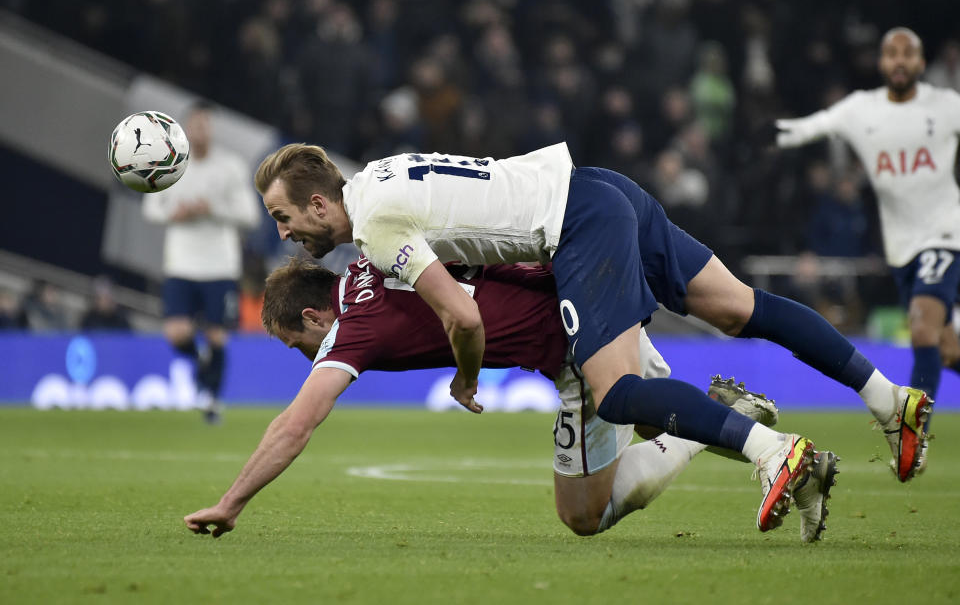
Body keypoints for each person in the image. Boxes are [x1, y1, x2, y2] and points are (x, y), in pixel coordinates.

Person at [252, 136, 924, 525]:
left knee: (618, 393)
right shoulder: (380, 177)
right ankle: (890, 399)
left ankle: (771, 448)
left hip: (575, 227)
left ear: (319, 201)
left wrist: (464, 373)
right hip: (597, 186)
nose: (284, 232)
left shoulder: (373, 227)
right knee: (739, 307)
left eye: (285, 216)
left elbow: (461, 313)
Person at [185, 257, 838, 543]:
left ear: (310, 312)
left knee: (585, 513)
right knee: (643, 411)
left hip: (578, 352)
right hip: (592, 298)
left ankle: (712, 427)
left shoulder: (352, 327)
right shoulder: (377, 256)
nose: (306, 355)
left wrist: (232, 501)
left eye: (297, 342)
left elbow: (297, 423)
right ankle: (747, 434)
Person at [776, 27, 958, 439]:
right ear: (881, 62)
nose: (899, 61)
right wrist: (760, 131)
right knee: (946, 350)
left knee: (922, 327)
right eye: (891, 53)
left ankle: (911, 432)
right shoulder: (861, 109)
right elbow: (802, 129)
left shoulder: (946, 107)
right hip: (901, 248)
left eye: (908, 53)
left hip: (945, 234)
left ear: (921, 63)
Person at [142, 102, 261, 423]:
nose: (200, 130)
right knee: (176, 333)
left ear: (213, 128)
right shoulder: (169, 164)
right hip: (181, 263)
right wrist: (175, 214)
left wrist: (212, 209)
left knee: (217, 334)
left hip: (220, 266)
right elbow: (151, 209)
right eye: (194, 124)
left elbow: (250, 216)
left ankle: (210, 397)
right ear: (185, 129)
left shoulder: (230, 167)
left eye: (205, 124)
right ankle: (202, 360)